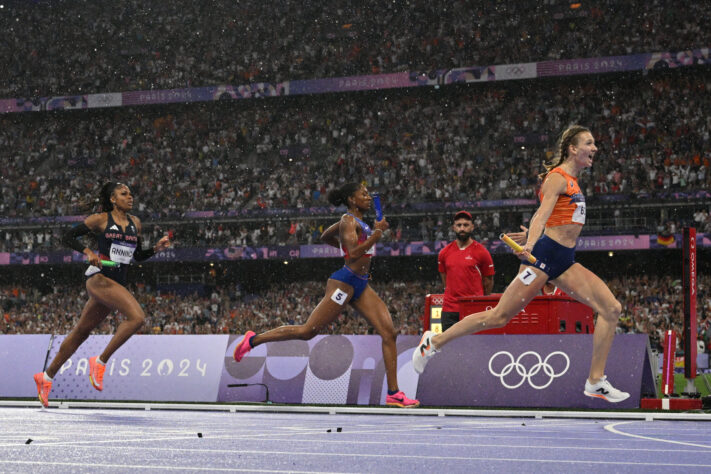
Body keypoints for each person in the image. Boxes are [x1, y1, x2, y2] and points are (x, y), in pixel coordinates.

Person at [413, 125, 630, 403]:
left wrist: (532, 237)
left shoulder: (574, 182)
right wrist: (531, 245)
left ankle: (595, 381)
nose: (595, 148)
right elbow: (541, 214)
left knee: (611, 309)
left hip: (563, 260)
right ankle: (433, 343)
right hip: (542, 259)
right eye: (589, 143)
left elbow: (557, 221)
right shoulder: (557, 178)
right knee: (498, 316)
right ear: (573, 149)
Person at [232, 182, 419, 407]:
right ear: (352, 200)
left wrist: (362, 238)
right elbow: (351, 256)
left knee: (389, 333)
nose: (368, 198)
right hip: (344, 283)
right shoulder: (347, 221)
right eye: (364, 194)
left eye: (369, 194)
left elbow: (326, 238)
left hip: (361, 284)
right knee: (307, 331)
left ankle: (393, 393)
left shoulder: (356, 222)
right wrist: (377, 233)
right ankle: (253, 340)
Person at [33, 182, 171, 407]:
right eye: (124, 194)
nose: (130, 197)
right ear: (113, 199)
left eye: (131, 194)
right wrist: (88, 251)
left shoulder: (136, 223)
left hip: (116, 283)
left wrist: (156, 249)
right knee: (137, 318)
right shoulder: (101, 219)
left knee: (81, 332)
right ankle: (100, 361)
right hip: (99, 279)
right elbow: (68, 237)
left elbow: (136, 256)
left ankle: (45, 377)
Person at [437, 210, 495, 331]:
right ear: (454, 228)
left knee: (475, 348)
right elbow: (445, 279)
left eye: (466, 225)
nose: (462, 228)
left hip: (473, 309)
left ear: (472, 227)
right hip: (450, 310)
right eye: (459, 225)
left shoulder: (482, 252)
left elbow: (488, 281)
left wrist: (478, 301)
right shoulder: (444, 253)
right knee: (449, 348)